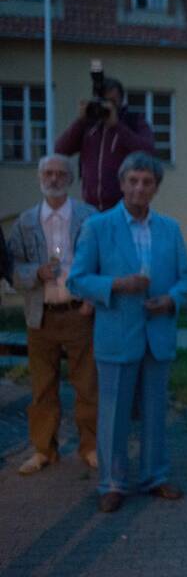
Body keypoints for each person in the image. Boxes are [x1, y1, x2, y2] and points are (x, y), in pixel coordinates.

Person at [67, 152, 187, 513]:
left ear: (156, 187)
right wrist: (116, 285)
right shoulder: (98, 226)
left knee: (156, 412)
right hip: (117, 333)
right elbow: (77, 280)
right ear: (121, 184)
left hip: (158, 333)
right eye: (133, 181)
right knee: (114, 415)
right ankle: (112, 483)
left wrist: (171, 301)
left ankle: (155, 476)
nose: (140, 187)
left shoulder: (169, 228)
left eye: (147, 182)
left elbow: (186, 279)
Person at [7, 155, 98, 475]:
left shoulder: (89, 218)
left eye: (61, 173)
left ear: (71, 178)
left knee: (87, 385)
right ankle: (44, 449)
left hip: (79, 312)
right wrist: (36, 272)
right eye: (48, 173)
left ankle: (90, 446)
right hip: (40, 315)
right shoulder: (26, 222)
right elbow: (12, 270)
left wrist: (93, 300)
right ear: (39, 177)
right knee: (43, 386)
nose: (54, 178)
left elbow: (103, 262)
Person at [54, 76, 154, 211]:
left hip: (124, 206)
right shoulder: (90, 125)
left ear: (121, 101)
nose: (107, 105)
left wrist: (117, 126)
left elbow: (148, 151)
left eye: (112, 101)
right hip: (90, 205)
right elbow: (60, 149)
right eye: (103, 101)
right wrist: (80, 121)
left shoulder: (133, 121)